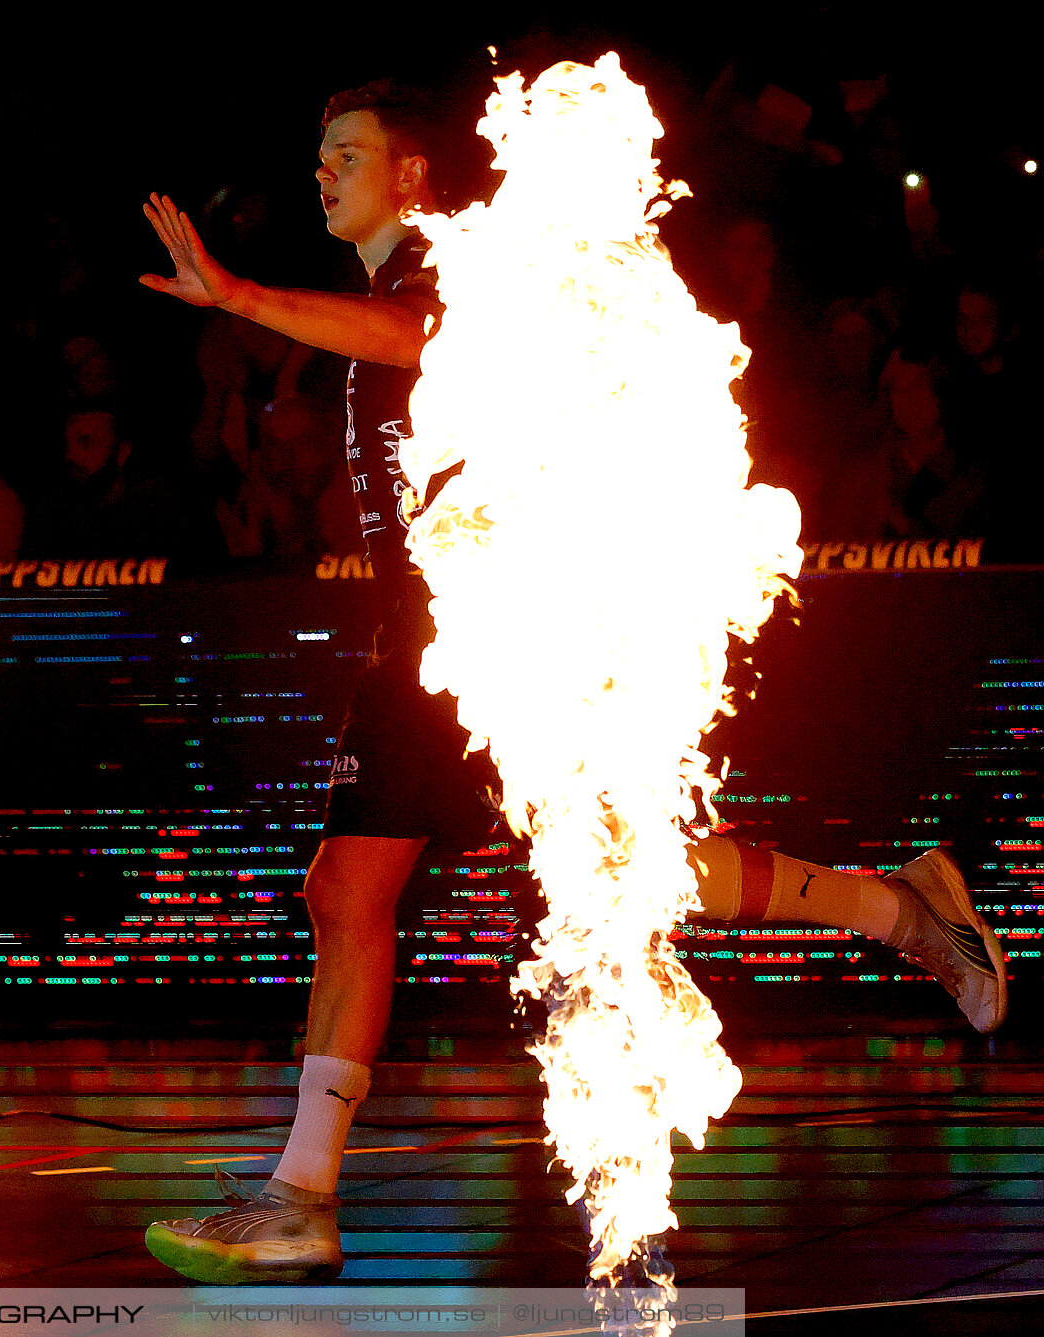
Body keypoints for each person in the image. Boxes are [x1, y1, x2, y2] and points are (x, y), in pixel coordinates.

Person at [136, 78, 1009, 1287]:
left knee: (617, 873)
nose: (323, 173)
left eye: (348, 153)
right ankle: (301, 1193)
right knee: (351, 885)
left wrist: (236, 296)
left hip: (506, 649)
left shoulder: (448, 275)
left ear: (413, 177)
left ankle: (902, 908)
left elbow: (417, 342)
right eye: (319, 154)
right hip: (429, 652)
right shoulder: (377, 298)